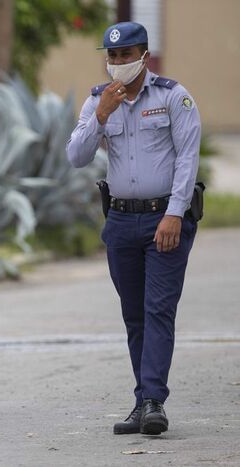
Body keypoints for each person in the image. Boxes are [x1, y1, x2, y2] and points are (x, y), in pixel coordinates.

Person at [66, 22, 201, 435]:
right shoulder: (99, 101)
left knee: (158, 309)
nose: (118, 63)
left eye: (126, 55)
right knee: (134, 314)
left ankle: (153, 400)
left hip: (166, 218)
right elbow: (76, 156)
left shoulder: (172, 97)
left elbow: (187, 157)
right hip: (121, 220)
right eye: (112, 56)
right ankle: (144, 401)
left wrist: (175, 213)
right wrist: (101, 116)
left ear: (144, 55)